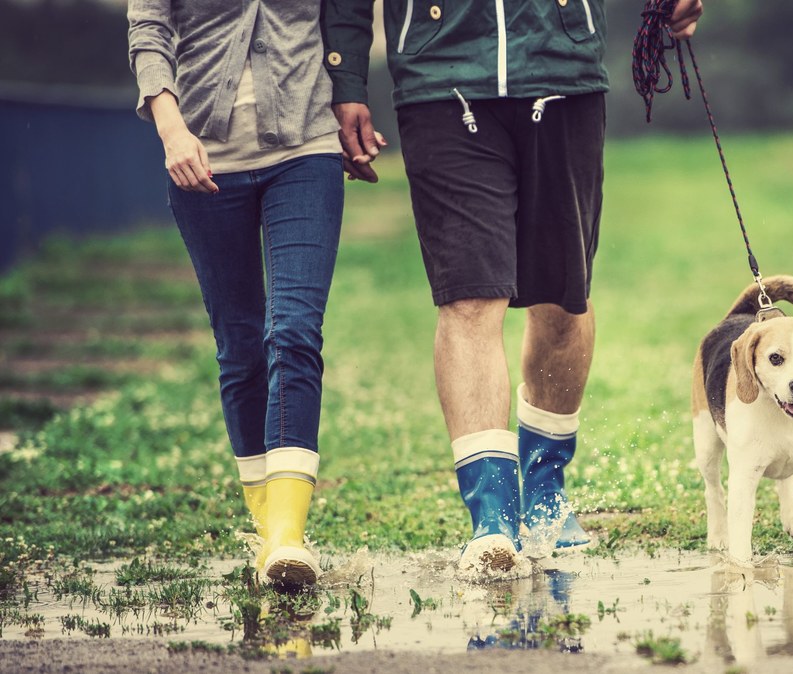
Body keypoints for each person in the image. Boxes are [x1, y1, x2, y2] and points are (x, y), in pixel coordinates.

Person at [319, 0, 703, 574]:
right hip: (440, 75)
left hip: (561, 68)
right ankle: (492, 518)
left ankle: (545, 490)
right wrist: (347, 77)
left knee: (562, 298)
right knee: (468, 297)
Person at [128, 0, 366, 589]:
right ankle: (268, 534)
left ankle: (288, 540)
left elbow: (345, 15)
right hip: (203, 160)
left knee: (294, 330)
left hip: (305, 152)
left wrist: (351, 97)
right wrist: (172, 130)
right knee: (239, 347)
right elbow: (149, 27)